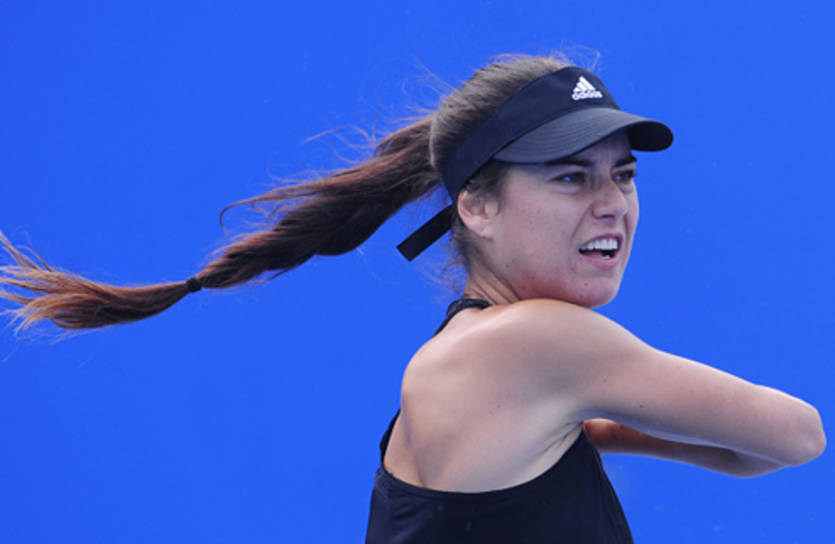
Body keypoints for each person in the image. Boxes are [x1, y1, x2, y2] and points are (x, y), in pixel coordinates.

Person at [0, 54, 826, 542]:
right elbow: (793, 436)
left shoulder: (464, 356)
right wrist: (616, 427)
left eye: (624, 175)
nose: (612, 204)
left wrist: (599, 429)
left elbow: (754, 453)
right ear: (476, 207)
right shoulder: (542, 343)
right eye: (571, 178)